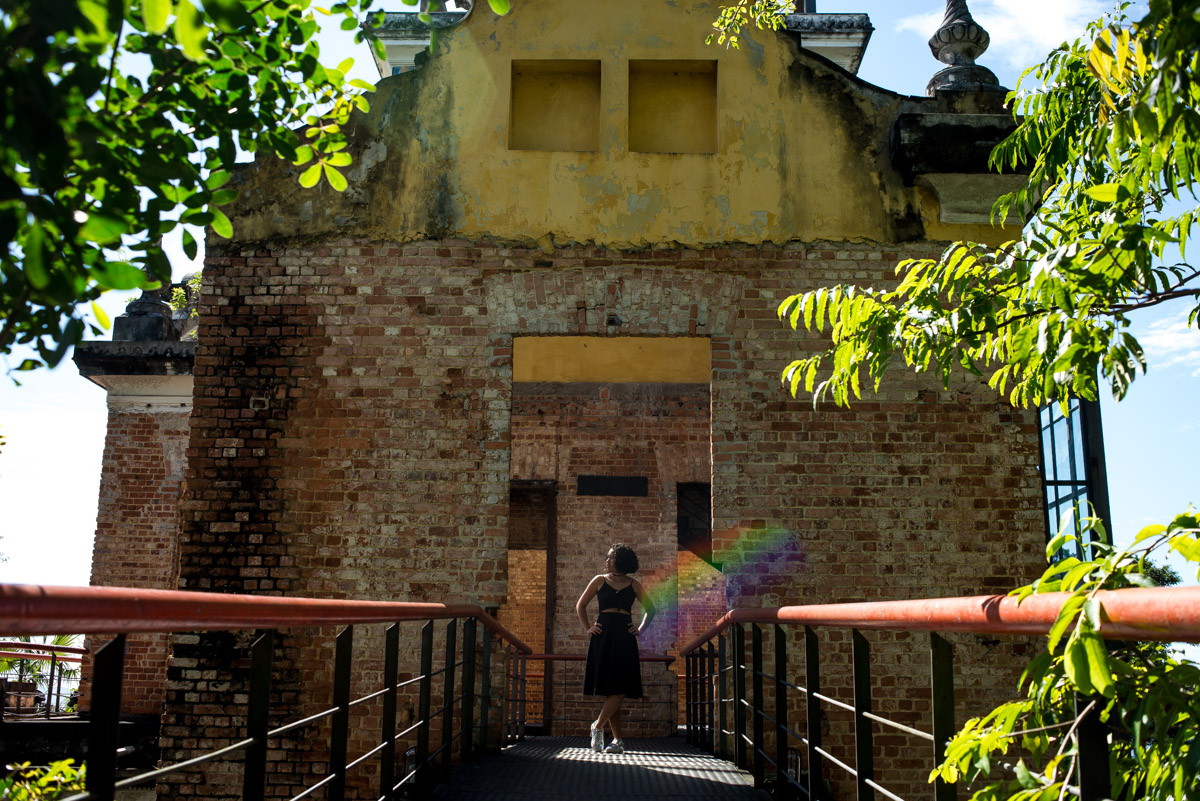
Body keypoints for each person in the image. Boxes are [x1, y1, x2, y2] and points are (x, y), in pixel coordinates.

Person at [575, 543, 655, 755]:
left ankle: (598, 726)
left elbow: (651, 609)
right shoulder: (599, 580)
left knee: (619, 689)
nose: (607, 561)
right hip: (603, 635)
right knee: (613, 690)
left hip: (625, 637)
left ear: (620, 560)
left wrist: (639, 628)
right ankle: (618, 740)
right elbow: (580, 605)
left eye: (610, 557)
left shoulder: (634, 584)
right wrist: (588, 628)